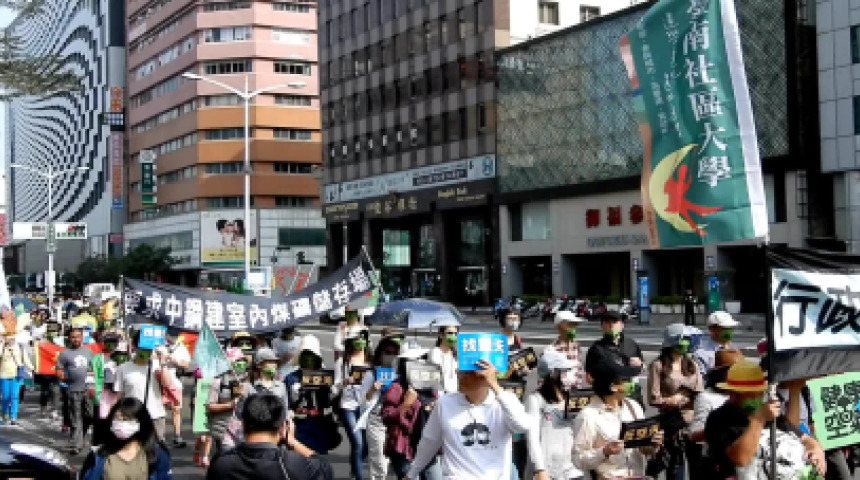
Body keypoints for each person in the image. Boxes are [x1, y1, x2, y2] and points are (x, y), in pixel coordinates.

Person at [405, 359, 534, 480]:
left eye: (467, 373)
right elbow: (429, 442)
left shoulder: (505, 401)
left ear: (485, 377)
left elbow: (522, 426)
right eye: (459, 371)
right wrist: (411, 474)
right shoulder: (445, 403)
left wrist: (496, 386)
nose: (460, 376)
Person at [704, 361, 826, 480]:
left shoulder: (769, 413)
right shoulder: (719, 418)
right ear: (733, 395)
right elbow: (740, 459)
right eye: (750, 394)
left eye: (760, 393)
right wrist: (759, 419)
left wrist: (816, 450)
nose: (757, 398)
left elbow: (803, 437)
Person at [206, 393, 333, 480]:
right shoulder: (292, 464)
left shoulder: (221, 463)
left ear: (243, 426)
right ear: (283, 427)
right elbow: (325, 469)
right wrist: (292, 441)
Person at [571, 360, 663, 480]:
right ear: (613, 386)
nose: (632, 383)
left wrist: (652, 444)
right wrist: (604, 452)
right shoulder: (588, 416)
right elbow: (578, 459)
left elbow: (643, 449)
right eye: (627, 380)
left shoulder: (633, 406)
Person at [647, 324, 704, 480]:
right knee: (675, 466)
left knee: (697, 465)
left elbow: (700, 393)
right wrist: (670, 401)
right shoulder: (658, 365)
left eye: (688, 339)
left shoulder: (693, 365)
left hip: (693, 422)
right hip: (672, 423)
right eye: (683, 339)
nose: (686, 342)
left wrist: (684, 398)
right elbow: (653, 398)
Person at [381, 347, 442, 480]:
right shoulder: (396, 387)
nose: (423, 363)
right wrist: (406, 404)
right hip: (405, 447)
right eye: (419, 360)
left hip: (427, 447)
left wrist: (434, 407)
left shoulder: (430, 387)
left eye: (424, 359)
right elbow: (386, 416)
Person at [79, 397, 173, 480]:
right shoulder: (98, 456)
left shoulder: (156, 456)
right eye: (117, 418)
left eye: (127, 419)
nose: (121, 423)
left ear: (141, 423)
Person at [525, 349, 582, 480]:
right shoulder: (536, 400)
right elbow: (532, 438)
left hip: (572, 469)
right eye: (564, 371)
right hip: (549, 470)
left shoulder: (572, 398)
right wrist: (540, 469)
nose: (568, 375)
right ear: (552, 373)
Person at [333, 328, 371, 480]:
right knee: (357, 443)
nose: (360, 342)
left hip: (366, 406)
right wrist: (344, 382)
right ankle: (358, 476)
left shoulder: (370, 362)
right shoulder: (342, 362)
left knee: (365, 446)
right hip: (348, 406)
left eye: (362, 338)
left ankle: (354, 468)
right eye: (357, 339)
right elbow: (335, 387)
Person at [115, 331, 167, 442]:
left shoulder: (158, 366)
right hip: (131, 417)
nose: (146, 351)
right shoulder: (123, 368)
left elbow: (167, 384)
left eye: (149, 348)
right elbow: (119, 395)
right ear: (134, 346)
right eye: (143, 347)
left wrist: (163, 363)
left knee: (155, 449)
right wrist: (114, 414)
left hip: (155, 417)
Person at [285, 335, 332, 453]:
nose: (308, 361)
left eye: (312, 356)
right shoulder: (291, 378)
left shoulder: (324, 377)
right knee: (300, 455)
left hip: (320, 422)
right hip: (300, 421)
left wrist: (333, 390)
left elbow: (330, 401)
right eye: (305, 356)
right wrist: (297, 392)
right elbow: (287, 402)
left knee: (319, 456)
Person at [585, 310, 644, 404]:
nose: (611, 325)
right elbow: (589, 377)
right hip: (611, 398)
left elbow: (643, 367)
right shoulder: (596, 349)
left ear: (622, 325)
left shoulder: (631, 344)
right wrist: (610, 386)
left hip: (633, 397)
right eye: (607, 322)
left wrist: (641, 365)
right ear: (602, 326)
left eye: (615, 322)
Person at [690, 349, 744, 445]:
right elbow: (694, 435)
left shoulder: (745, 395)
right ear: (720, 373)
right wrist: (722, 428)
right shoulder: (705, 397)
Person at [205, 348, 249, 462]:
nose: (241, 363)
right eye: (238, 360)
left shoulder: (248, 381)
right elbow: (210, 406)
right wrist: (229, 405)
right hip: (224, 430)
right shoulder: (218, 382)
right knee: (228, 460)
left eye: (243, 360)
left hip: (243, 431)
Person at [57, 327, 94, 454]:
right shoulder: (65, 353)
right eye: (73, 337)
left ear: (82, 337)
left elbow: (93, 368)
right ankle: (76, 445)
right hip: (73, 390)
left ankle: (81, 437)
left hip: (88, 390)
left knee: (90, 415)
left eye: (78, 336)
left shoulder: (88, 351)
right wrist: (66, 379)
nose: (76, 339)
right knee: (75, 417)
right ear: (69, 338)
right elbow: (59, 370)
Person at [93, 339, 128, 445]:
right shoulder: (109, 367)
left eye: (123, 355)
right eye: (119, 354)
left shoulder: (127, 368)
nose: (121, 357)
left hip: (122, 401)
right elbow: (111, 385)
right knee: (105, 423)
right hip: (108, 400)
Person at [160, 335, 191, 448]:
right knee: (160, 410)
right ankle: (160, 437)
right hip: (158, 380)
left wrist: (173, 360)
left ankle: (177, 436)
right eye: (168, 333)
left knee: (176, 409)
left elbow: (186, 364)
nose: (170, 337)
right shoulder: (158, 345)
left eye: (173, 334)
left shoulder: (181, 348)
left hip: (175, 382)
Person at [546, 310, 587, 390]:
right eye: (569, 325)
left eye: (574, 325)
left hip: (575, 393)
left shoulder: (577, 346)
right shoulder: (551, 350)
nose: (573, 328)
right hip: (560, 393)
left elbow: (579, 370)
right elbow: (544, 379)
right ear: (559, 327)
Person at [1, 329, 33, 425]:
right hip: (3, 374)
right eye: (7, 337)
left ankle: (13, 416)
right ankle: (5, 414)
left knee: (14, 396)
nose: (10, 339)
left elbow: (26, 360)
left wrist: (33, 368)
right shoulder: (2, 347)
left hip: (16, 375)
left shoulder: (20, 347)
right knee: (5, 396)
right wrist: (2, 344)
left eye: (11, 336)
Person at [427, 326, 458, 393]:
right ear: (441, 335)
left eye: (455, 334)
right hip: (441, 393)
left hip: (455, 393)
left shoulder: (455, 354)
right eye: (450, 333)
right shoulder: (435, 352)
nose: (453, 336)